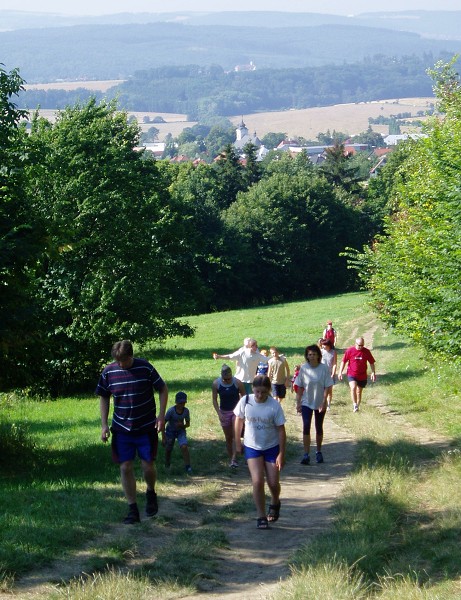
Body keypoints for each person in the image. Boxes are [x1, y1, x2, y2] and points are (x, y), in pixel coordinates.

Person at [96, 340, 168, 524]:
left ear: (131, 356)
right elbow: (104, 396)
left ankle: (151, 492)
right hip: (121, 429)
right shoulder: (109, 372)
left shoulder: (145, 368)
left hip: (145, 427)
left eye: (124, 361)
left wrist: (161, 416)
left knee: (147, 466)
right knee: (125, 467)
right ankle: (132, 509)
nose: (121, 364)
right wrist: (104, 425)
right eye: (118, 361)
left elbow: (162, 388)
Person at [234, 375, 286, 530]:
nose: (259, 395)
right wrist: (238, 442)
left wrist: (281, 453)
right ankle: (261, 515)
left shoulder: (274, 406)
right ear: (253, 390)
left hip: (271, 447)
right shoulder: (246, 401)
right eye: (257, 391)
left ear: (269, 391)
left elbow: (281, 430)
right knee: (257, 481)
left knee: (273, 482)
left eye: (263, 392)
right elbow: (238, 420)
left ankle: (275, 501)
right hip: (252, 447)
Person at [295, 344, 333, 465]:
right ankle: (306, 454)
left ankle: (318, 452)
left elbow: (328, 386)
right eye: (309, 355)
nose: (311, 357)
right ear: (307, 356)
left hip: (319, 402)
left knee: (318, 426)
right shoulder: (304, 368)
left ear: (318, 356)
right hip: (306, 402)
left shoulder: (323, 368)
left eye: (314, 354)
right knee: (306, 426)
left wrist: (324, 401)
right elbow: (300, 387)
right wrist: (298, 402)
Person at [212, 364, 245, 468]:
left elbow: (244, 397)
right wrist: (219, 413)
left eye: (229, 378)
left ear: (232, 376)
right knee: (228, 437)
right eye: (225, 379)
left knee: (236, 436)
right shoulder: (216, 384)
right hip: (224, 412)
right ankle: (231, 458)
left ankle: (234, 458)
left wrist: (242, 411)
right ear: (221, 377)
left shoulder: (237, 383)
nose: (227, 381)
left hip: (235, 412)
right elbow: (214, 400)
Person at [338, 337, 376, 413]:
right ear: (355, 344)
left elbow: (371, 362)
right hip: (352, 373)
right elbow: (343, 361)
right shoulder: (350, 351)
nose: (361, 347)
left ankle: (357, 406)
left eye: (362, 345)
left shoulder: (366, 352)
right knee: (353, 388)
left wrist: (373, 373)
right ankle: (354, 404)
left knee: (359, 392)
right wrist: (340, 372)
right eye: (359, 345)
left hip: (362, 375)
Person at [163, 392, 192, 474]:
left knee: (184, 446)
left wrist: (182, 425)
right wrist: (164, 437)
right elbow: (163, 423)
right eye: (180, 403)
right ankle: (167, 464)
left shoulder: (186, 411)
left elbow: (188, 424)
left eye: (183, 403)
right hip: (170, 432)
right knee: (168, 449)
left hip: (180, 431)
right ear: (176, 402)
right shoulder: (171, 411)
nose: (182, 405)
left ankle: (188, 466)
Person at [320, 339, 337, 411]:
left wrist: (333, 373)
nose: (323, 346)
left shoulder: (333, 352)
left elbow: (334, 364)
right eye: (322, 345)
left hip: (329, 374)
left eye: (324, 345)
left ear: (328, 345)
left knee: (329, 390)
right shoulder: (321, 351)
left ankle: (328, 405)